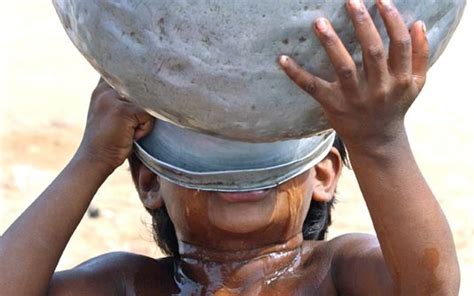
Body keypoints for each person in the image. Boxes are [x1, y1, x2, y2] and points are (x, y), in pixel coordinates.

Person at [0, 0, 460, 295]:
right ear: (149, 184)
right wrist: (91, 159)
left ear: (323, 174)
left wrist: (379, 140)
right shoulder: (131, 284)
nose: (237, 169)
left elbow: (430, 287)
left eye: (267, 140)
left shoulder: (336, 274)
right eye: (205, 145)